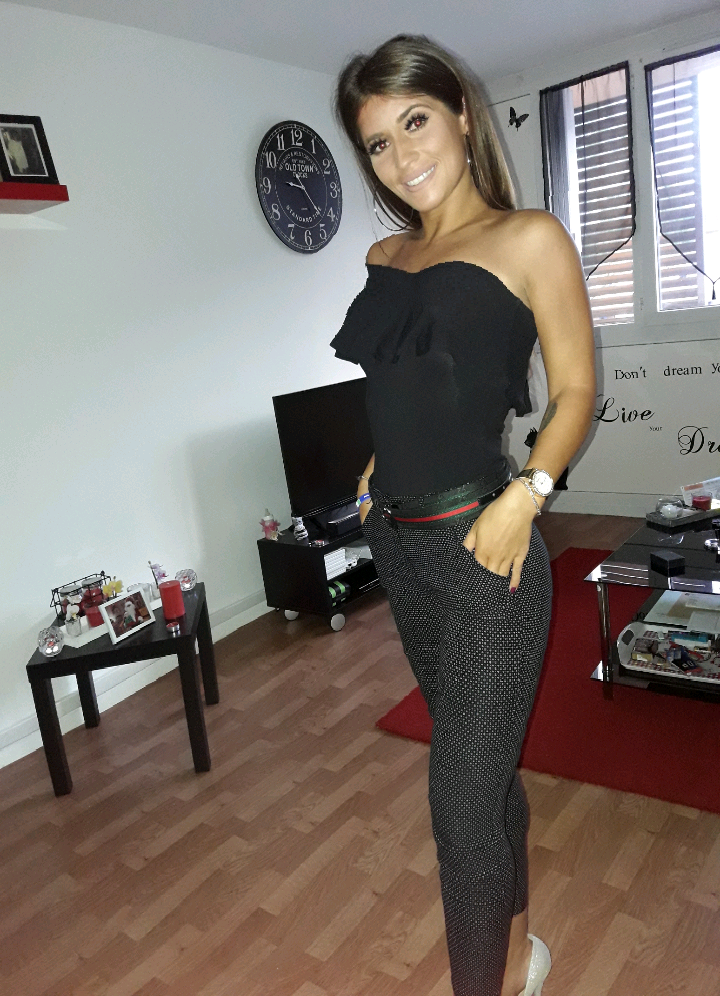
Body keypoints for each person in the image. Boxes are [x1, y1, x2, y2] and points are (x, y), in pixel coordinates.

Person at [331, 35, 596, 996]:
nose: (402, 156)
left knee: (459, 808)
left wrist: (531, 493)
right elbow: (407, 387)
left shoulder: (529, 239)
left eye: (415, 123)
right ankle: (520, 958)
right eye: (378, 142)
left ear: (459, 114)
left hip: (486, 551)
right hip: (398, 551)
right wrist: (376, 467)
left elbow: (576, 390)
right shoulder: (385, 255)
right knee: (482, 782)